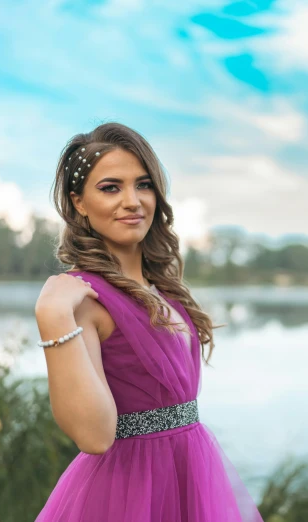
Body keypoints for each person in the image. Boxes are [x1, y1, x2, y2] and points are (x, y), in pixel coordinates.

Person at [33, 122, 264, 521]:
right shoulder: (83, 299)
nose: (133, 201)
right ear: (79, 203)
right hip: (127, 491)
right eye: (110, 188)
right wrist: (51, 316)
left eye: (143, 185)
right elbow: (94, 436)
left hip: (189, 470)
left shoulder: (163, 289)